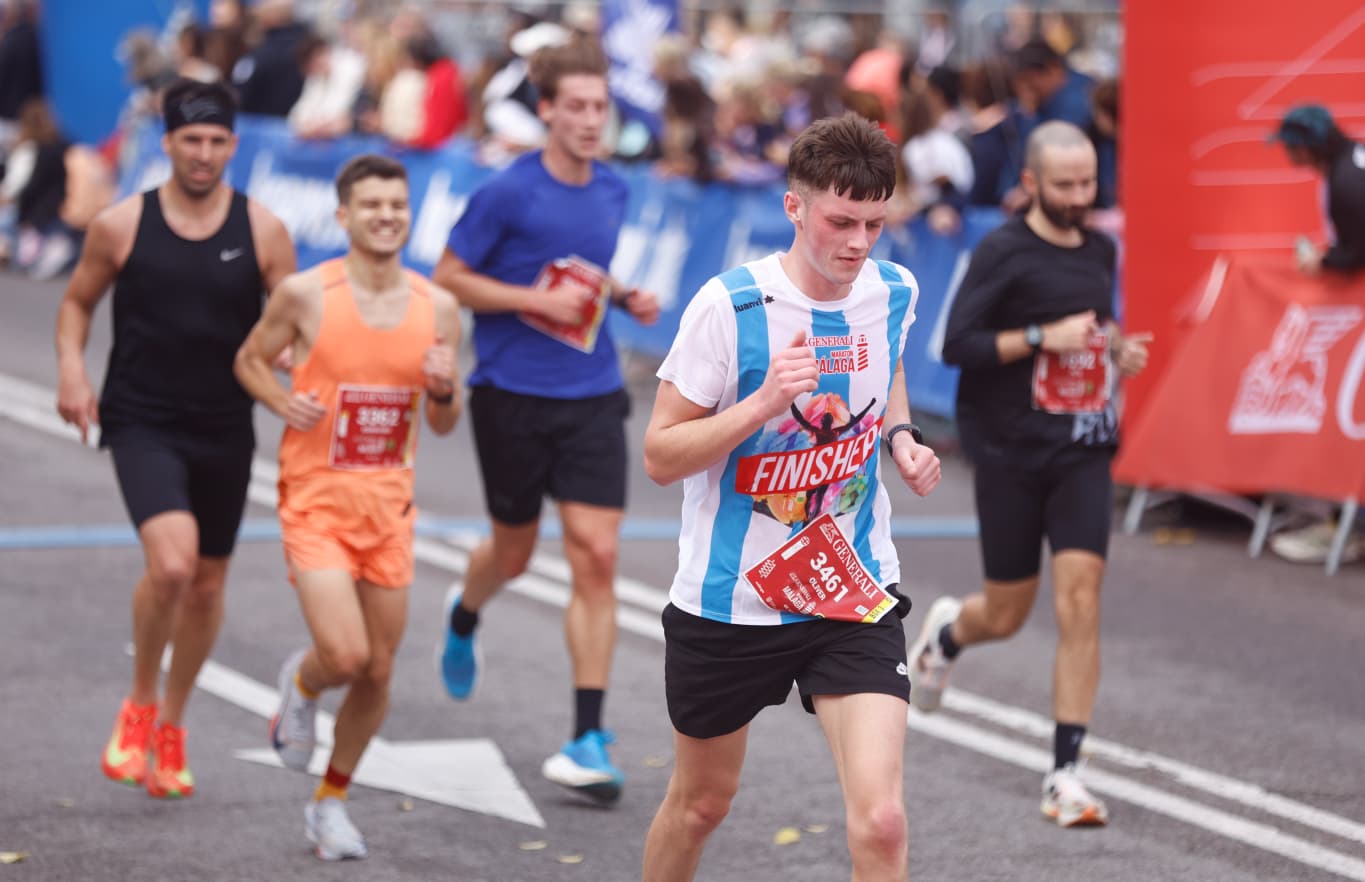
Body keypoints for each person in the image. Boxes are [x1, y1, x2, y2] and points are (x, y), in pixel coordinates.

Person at [639, 112, 942, 882]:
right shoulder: (731, 308)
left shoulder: (893, 291)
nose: (858, 243)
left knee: (881, 821)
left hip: (849, 586)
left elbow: (891, 366)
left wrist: (899, 435)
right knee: (701, 804)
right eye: (841, 221)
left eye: (874, 223)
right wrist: (759, 405)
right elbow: (659, 455)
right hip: (729, 601)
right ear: (794, 207)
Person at [432, 36, 659, 806]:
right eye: (579, 108)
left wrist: (622, 297)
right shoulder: (507, 191)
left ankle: (586, 735)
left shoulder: (613, 190)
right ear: (548, 110)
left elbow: (584, 268)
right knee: (515, 553)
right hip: (511, 393)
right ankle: (464, 614)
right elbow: (450, 276)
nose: (594, 120)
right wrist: (534, 301)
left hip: (591, 391)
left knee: (596, 555)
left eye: (602, 107)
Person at [54, 78, 295, 798]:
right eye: (191, 140)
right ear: (166, 144)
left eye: (217, 141)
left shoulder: (263, 230)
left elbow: (293, 323)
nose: (203, 153)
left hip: (225, 423)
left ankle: (172, 724)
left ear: (232, 145)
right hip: (141, 417)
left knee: (208, 583)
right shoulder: (122, 224)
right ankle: (138, 702)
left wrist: (290, 361)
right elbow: (75, 304)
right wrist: (71, 369)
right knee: (172, 565)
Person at [921, 120, 1151, 827]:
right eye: (1064, 186)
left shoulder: (1102, 249)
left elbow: (1091, 327)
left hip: (1080, 447)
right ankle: (949, 635)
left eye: (1088, 184)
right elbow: (954, 343)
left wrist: (1116, 352)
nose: (1080, 197)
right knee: (1008, 612)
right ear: (1030, 185)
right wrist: (1035, 339)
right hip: (1007, 451)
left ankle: (1065, 775)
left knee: (1080, 598)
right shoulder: (1000, 251)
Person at [233, 154, 461, 860]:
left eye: (396, 203)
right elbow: (248, 359)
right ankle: (302, 683)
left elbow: (446, 423)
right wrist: (281, 399)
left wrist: (447, 390)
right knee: (345, 653)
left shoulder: (439, 309)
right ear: (343, 216)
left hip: (388, 508)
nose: (386, 215)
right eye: (371, 205)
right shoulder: (306, 294)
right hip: (315, 501)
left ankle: (329, 801)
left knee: (378, 670)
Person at [1265, 103, 1365, 565]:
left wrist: (1323, 260)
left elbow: (1357, 251)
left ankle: (1351, 528)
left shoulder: (1346, 180)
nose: (1286, 156)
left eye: (1289, 147)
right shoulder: (1352, 162)